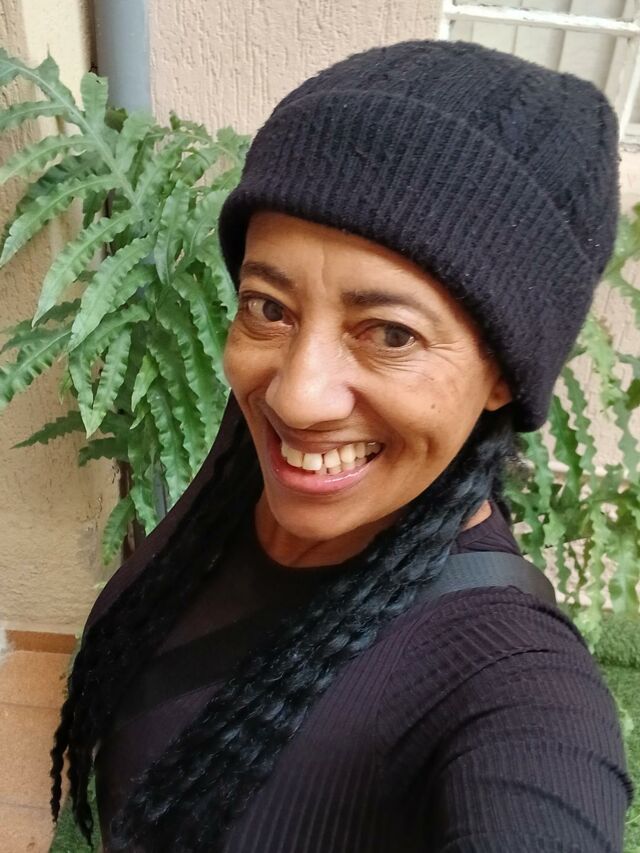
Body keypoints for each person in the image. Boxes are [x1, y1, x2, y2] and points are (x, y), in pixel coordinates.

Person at [50, 39, 633, 852]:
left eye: (390, 333)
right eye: (269, 306)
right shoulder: (247, 461)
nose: (296, 395)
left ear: (504, 372)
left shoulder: (517, 689)